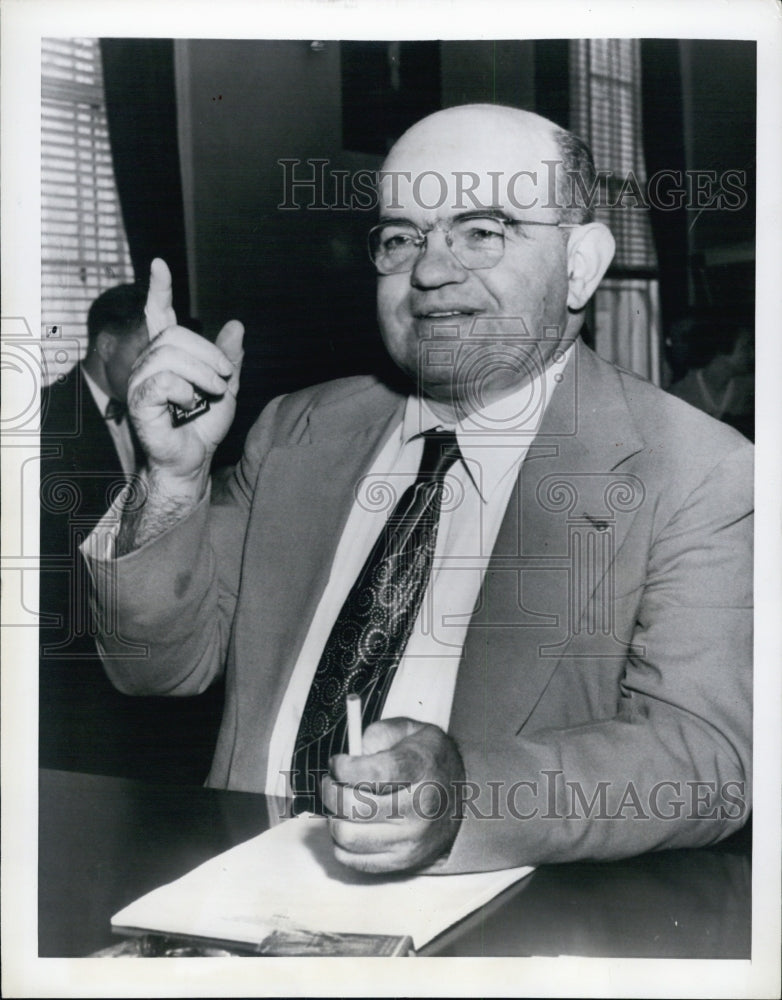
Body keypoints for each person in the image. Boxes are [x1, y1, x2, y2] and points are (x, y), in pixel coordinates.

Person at [83, 104, 752, 874]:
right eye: (403, 237)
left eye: (483, 231)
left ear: (581, 265)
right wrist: (170, 480)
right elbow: (154, 670)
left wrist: (466, 796)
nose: (431, 271)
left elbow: (706, 758)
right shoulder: (296, 431)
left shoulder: (698, 470)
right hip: (233, 903)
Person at [39, 283, 222, 780]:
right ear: (105, 346)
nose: (159, 366)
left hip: (157, 658)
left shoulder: (179, 408)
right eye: (147, 348)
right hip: (74, 677)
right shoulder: (40, 420)